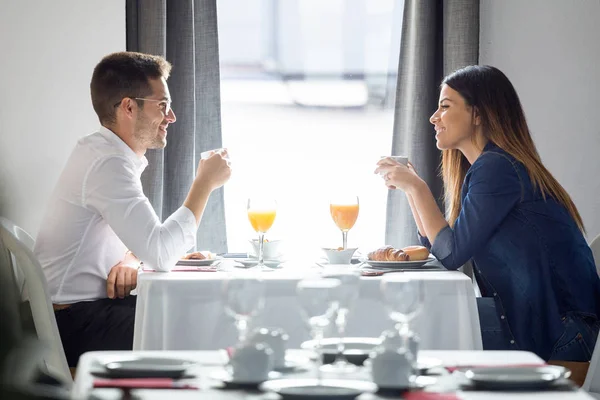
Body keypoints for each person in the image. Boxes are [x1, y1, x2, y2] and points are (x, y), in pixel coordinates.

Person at [375, 65, 600, 362]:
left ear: (477, 114)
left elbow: (452, 253)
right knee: (427, 317)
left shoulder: (497, 168)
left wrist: (417, 188)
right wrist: (410, 189)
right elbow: (438, 247)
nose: (433, 117)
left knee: (424, 325)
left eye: (444, 106)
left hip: (564, 334)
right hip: (543, 322)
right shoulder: (490, 167)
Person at [34, 51, 231, 367]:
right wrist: (204, 183)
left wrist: (131, 256)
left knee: (200, 309)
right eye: (162, 106)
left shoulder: (101, 152)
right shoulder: (108, 164)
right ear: (128, 106)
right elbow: (162, 252)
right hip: (74, 322)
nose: (172, 117)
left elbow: (141, 240)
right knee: (205, 324)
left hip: (80, 312)